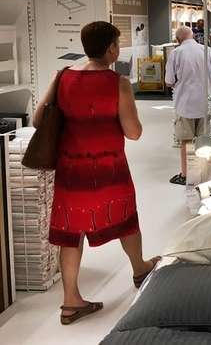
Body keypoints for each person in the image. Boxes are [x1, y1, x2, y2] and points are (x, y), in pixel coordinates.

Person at [34, 21, 158, 325]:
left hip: (71, 168)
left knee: (70, 231)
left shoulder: (62, 76)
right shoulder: (118, 83)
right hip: (108, 167)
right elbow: (134, 132)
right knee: (125, 218)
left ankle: (70, 301)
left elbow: (39, 120)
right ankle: (140, 269)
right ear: (111, 48)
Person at [166, 26, 211, 185]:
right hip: (205, 102)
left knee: (186, 141)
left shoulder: (176, 53)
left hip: (184, 104)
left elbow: (169, 81)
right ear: (192, 36)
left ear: (178, 39)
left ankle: (185, 175)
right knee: (204, 139)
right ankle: (205, 173)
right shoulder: (207, 50)